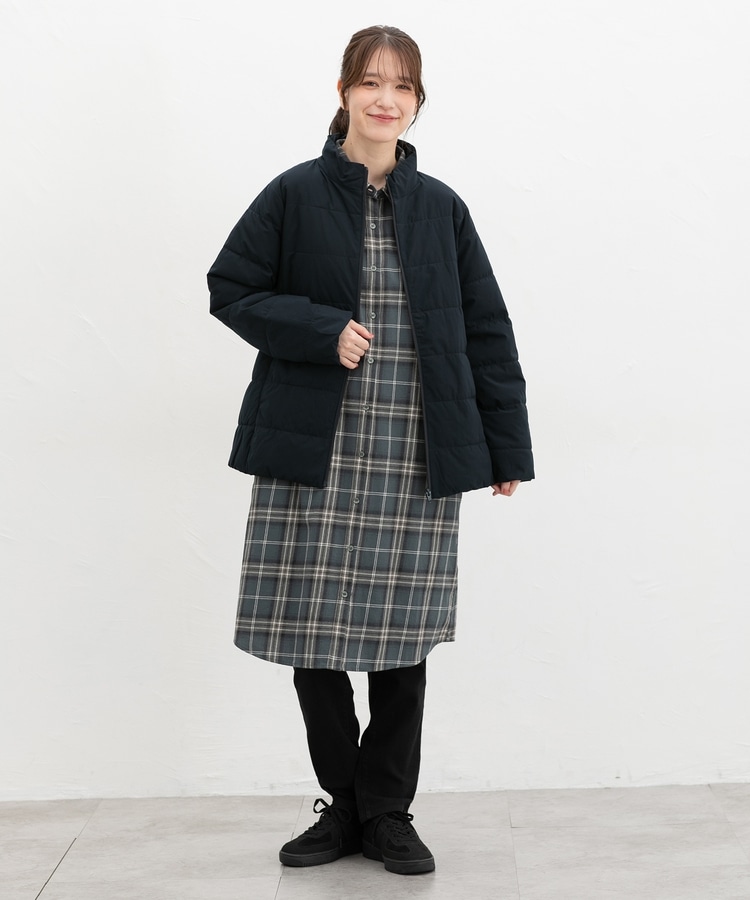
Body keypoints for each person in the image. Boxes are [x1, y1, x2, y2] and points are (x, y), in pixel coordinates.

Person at [207, 25, 533, 876]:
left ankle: (387, 812)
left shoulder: (443, 208)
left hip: (414, 449)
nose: (386, 99)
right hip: (311, 446)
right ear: (345, 91)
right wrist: (321, 329)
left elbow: (486, 329)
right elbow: (231, 287)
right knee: (311, 633)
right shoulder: (293, 193)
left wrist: (504, 446)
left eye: (403, 86)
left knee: (402, 640)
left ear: (418, 102)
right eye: (371, 82)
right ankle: (344, 805)